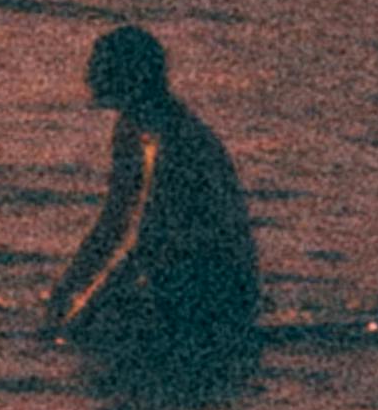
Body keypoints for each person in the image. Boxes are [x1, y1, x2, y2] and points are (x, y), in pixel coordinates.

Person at [42, 21, 262, 364]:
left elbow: (149, 241)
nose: (88, 75)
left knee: (94, 340)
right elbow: (113, 222)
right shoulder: (132, 127)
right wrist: (65, 290)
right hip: (176, 272)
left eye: (100, 65)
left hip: (215, 287)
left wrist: (81, 313)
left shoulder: (176, 141)